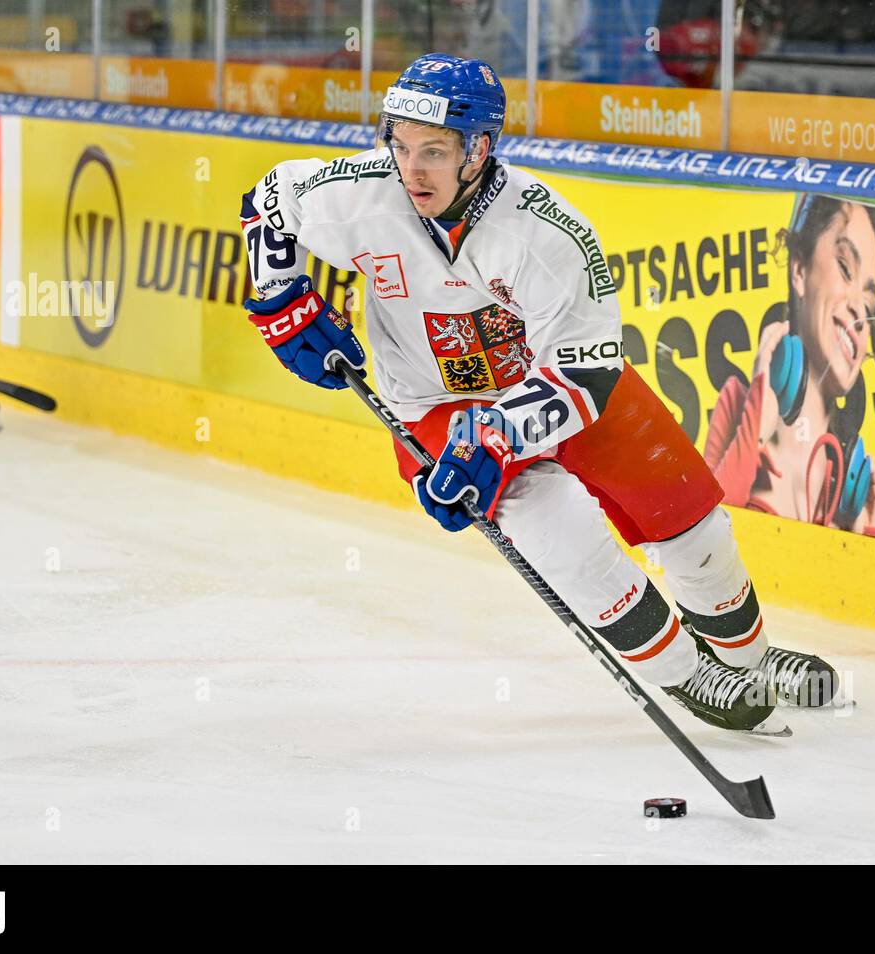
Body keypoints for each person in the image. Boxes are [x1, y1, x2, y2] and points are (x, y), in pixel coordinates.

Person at [239, 53, 841, 730]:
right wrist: (280, 299)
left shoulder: (549, 232)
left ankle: (752, 659)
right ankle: (687, 675)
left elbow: (585, 369)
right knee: (561, 527)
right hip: (436, 407)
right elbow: (271, 198)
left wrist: (502, 432)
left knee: (688, 511)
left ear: (480, 149)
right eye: (400, 146)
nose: (411, 170)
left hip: (552, 384)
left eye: (433, 151)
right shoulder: (361, 194)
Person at [704, 193, 875, 532]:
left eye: (869, 302)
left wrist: (866, 532)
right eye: (845, 268)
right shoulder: (737, 405)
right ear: (800, 270)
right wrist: (756, 424)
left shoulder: (845, 486)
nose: (859, 313)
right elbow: (706, 533)